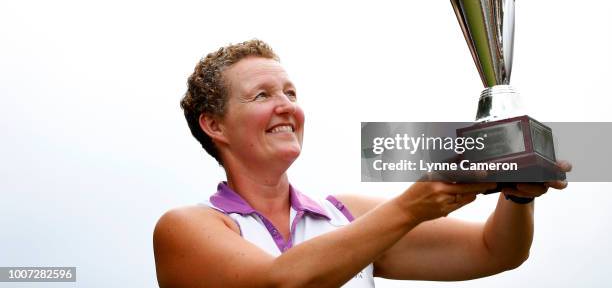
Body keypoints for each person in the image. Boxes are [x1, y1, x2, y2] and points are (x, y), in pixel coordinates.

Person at [153, 39, 570, 288]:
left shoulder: (346, 215)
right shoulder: (188, 228)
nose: (286, 107)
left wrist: (516, 195)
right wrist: (411, 206)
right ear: (214, 124)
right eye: (262, 96)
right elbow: (281, 282)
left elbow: (495, 250)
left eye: (291, 93)